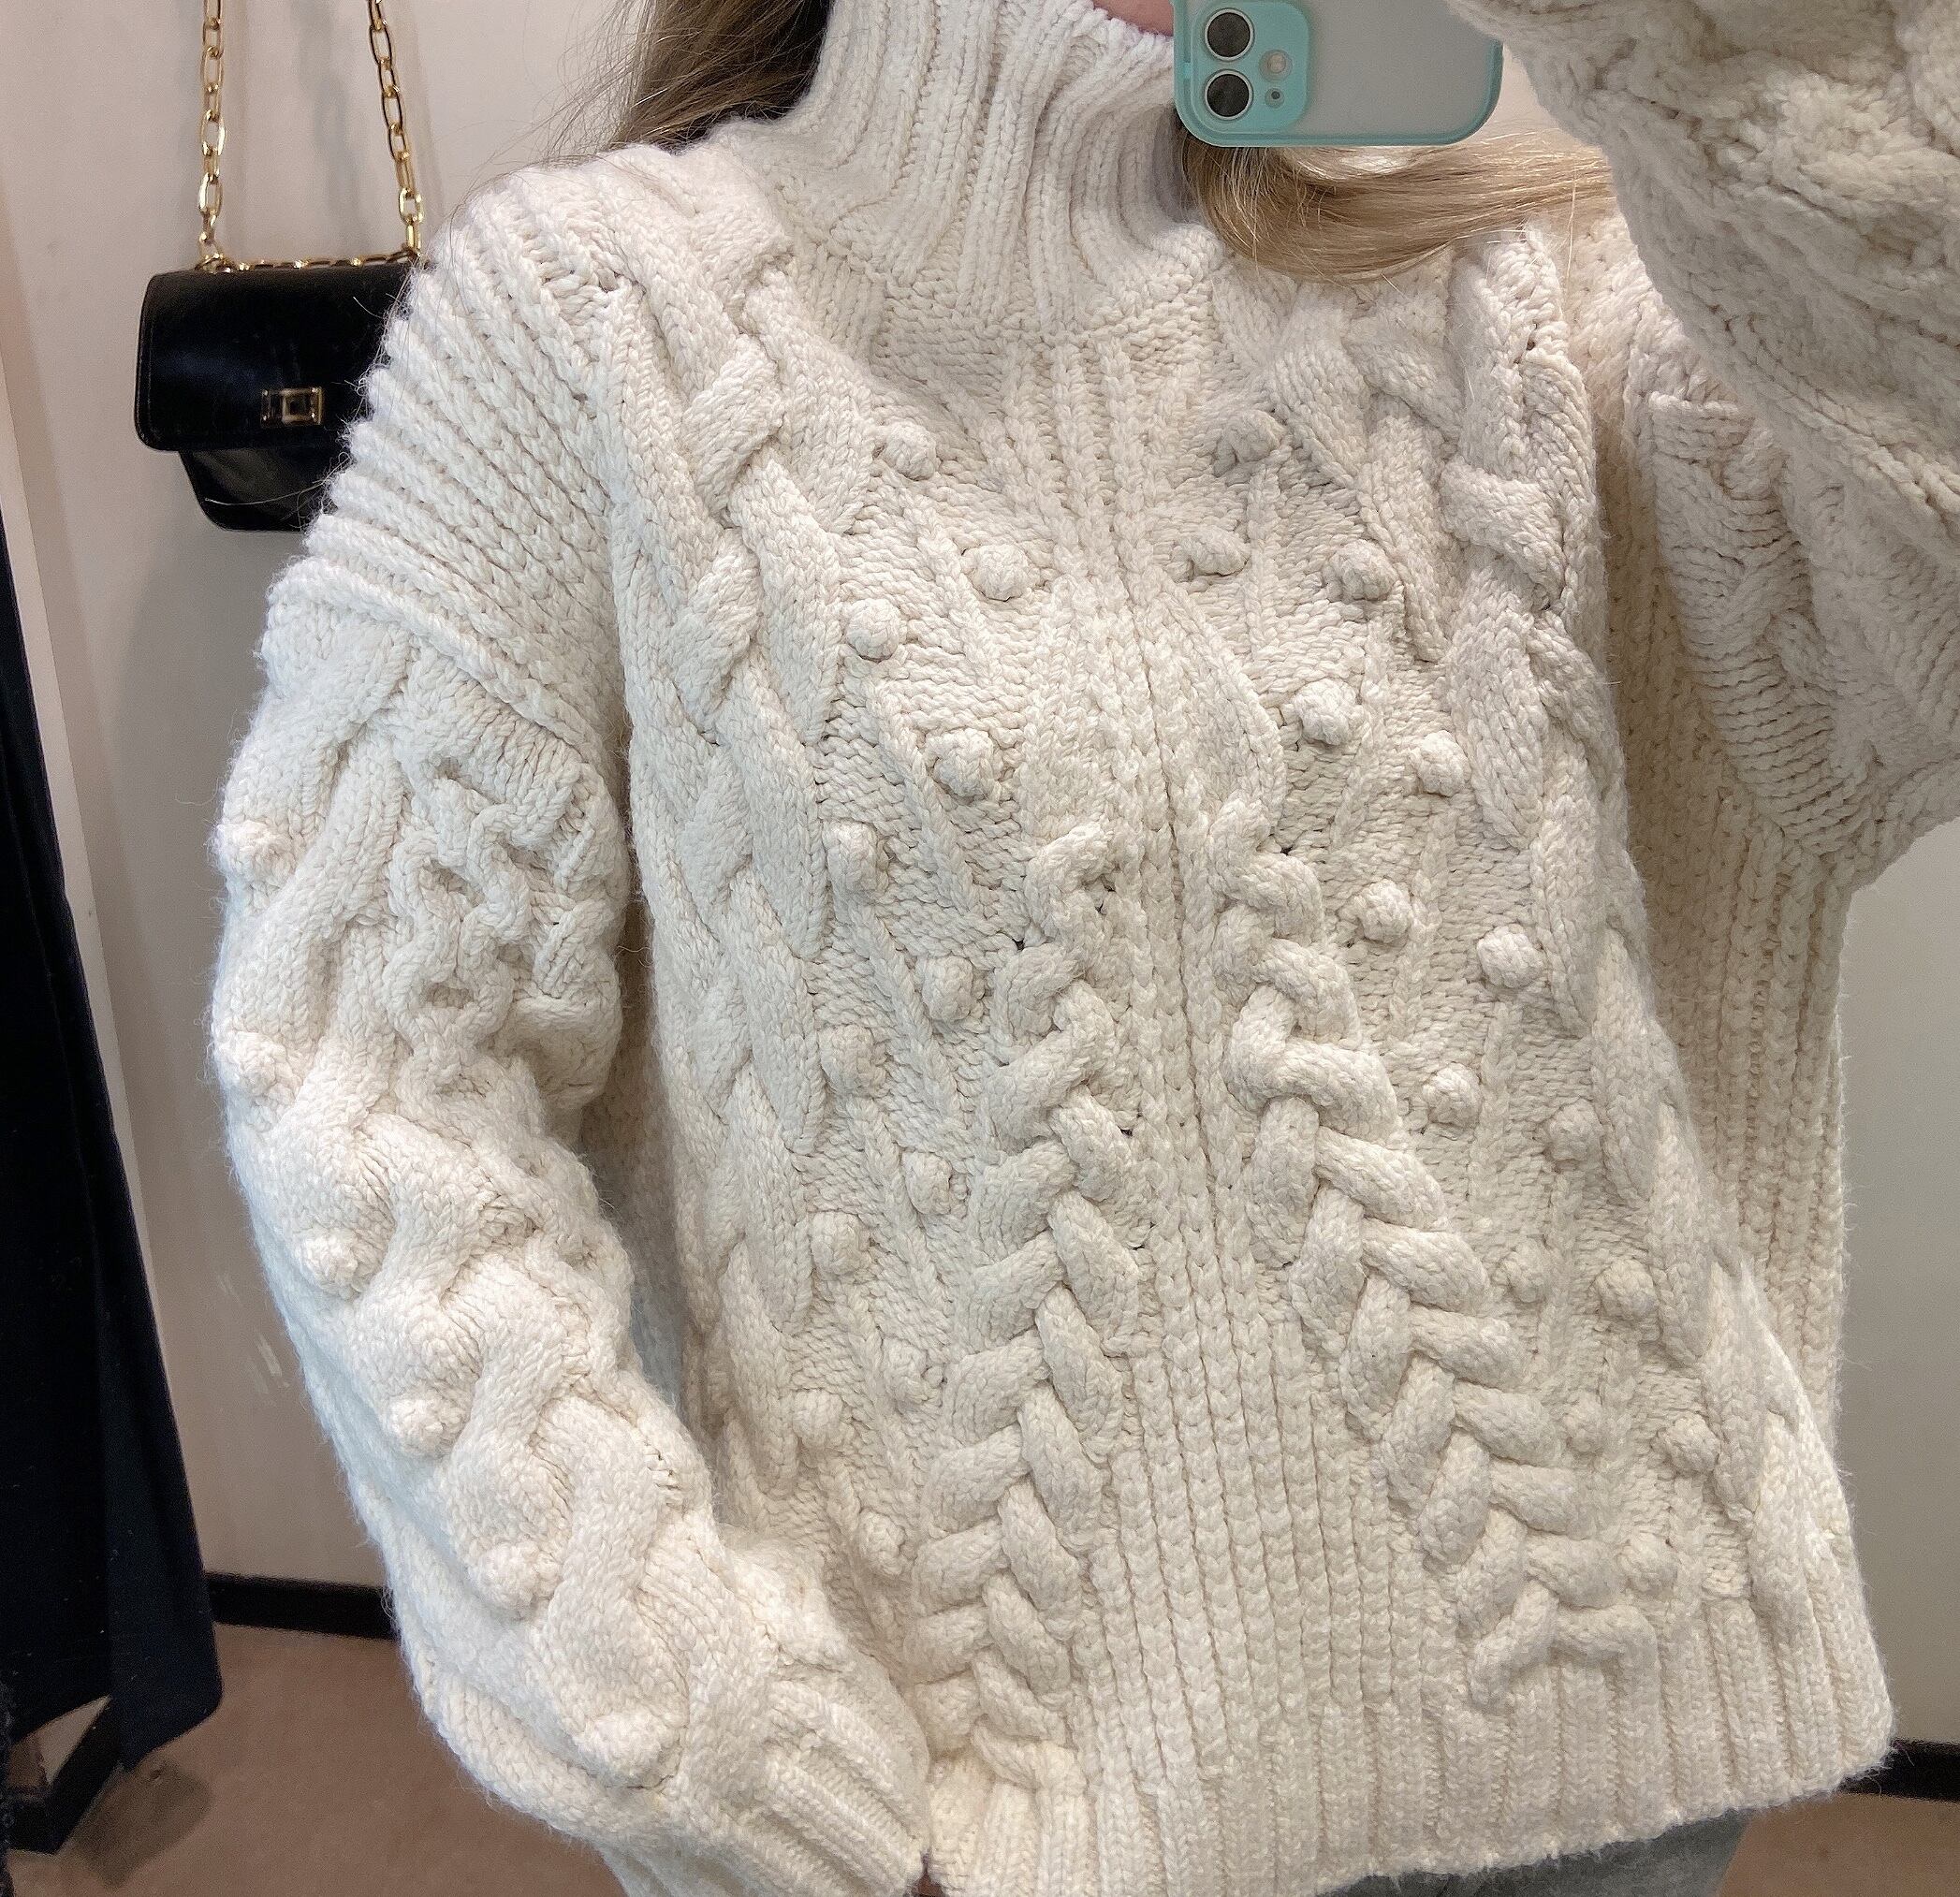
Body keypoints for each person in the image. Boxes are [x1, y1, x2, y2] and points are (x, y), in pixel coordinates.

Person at [203, 1, 1959, 1894]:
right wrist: (676, 1705)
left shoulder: (1548, 283)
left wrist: (1708, 41)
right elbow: (367, 1053)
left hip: (1604, 1767)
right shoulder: (586, 316)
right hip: (972, 1822)